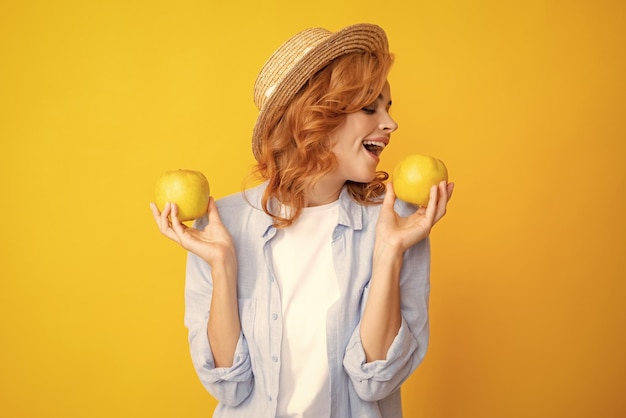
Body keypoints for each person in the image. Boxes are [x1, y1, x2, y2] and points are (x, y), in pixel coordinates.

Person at [150, 23, 454, 418]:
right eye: (369, 107)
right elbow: (229, 384)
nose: (390, 125)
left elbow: (376, 380)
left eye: (388, 108)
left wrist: (389, 254)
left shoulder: (397, 223)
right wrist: (222, 265)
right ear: (316, 116)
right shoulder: (221, 227)